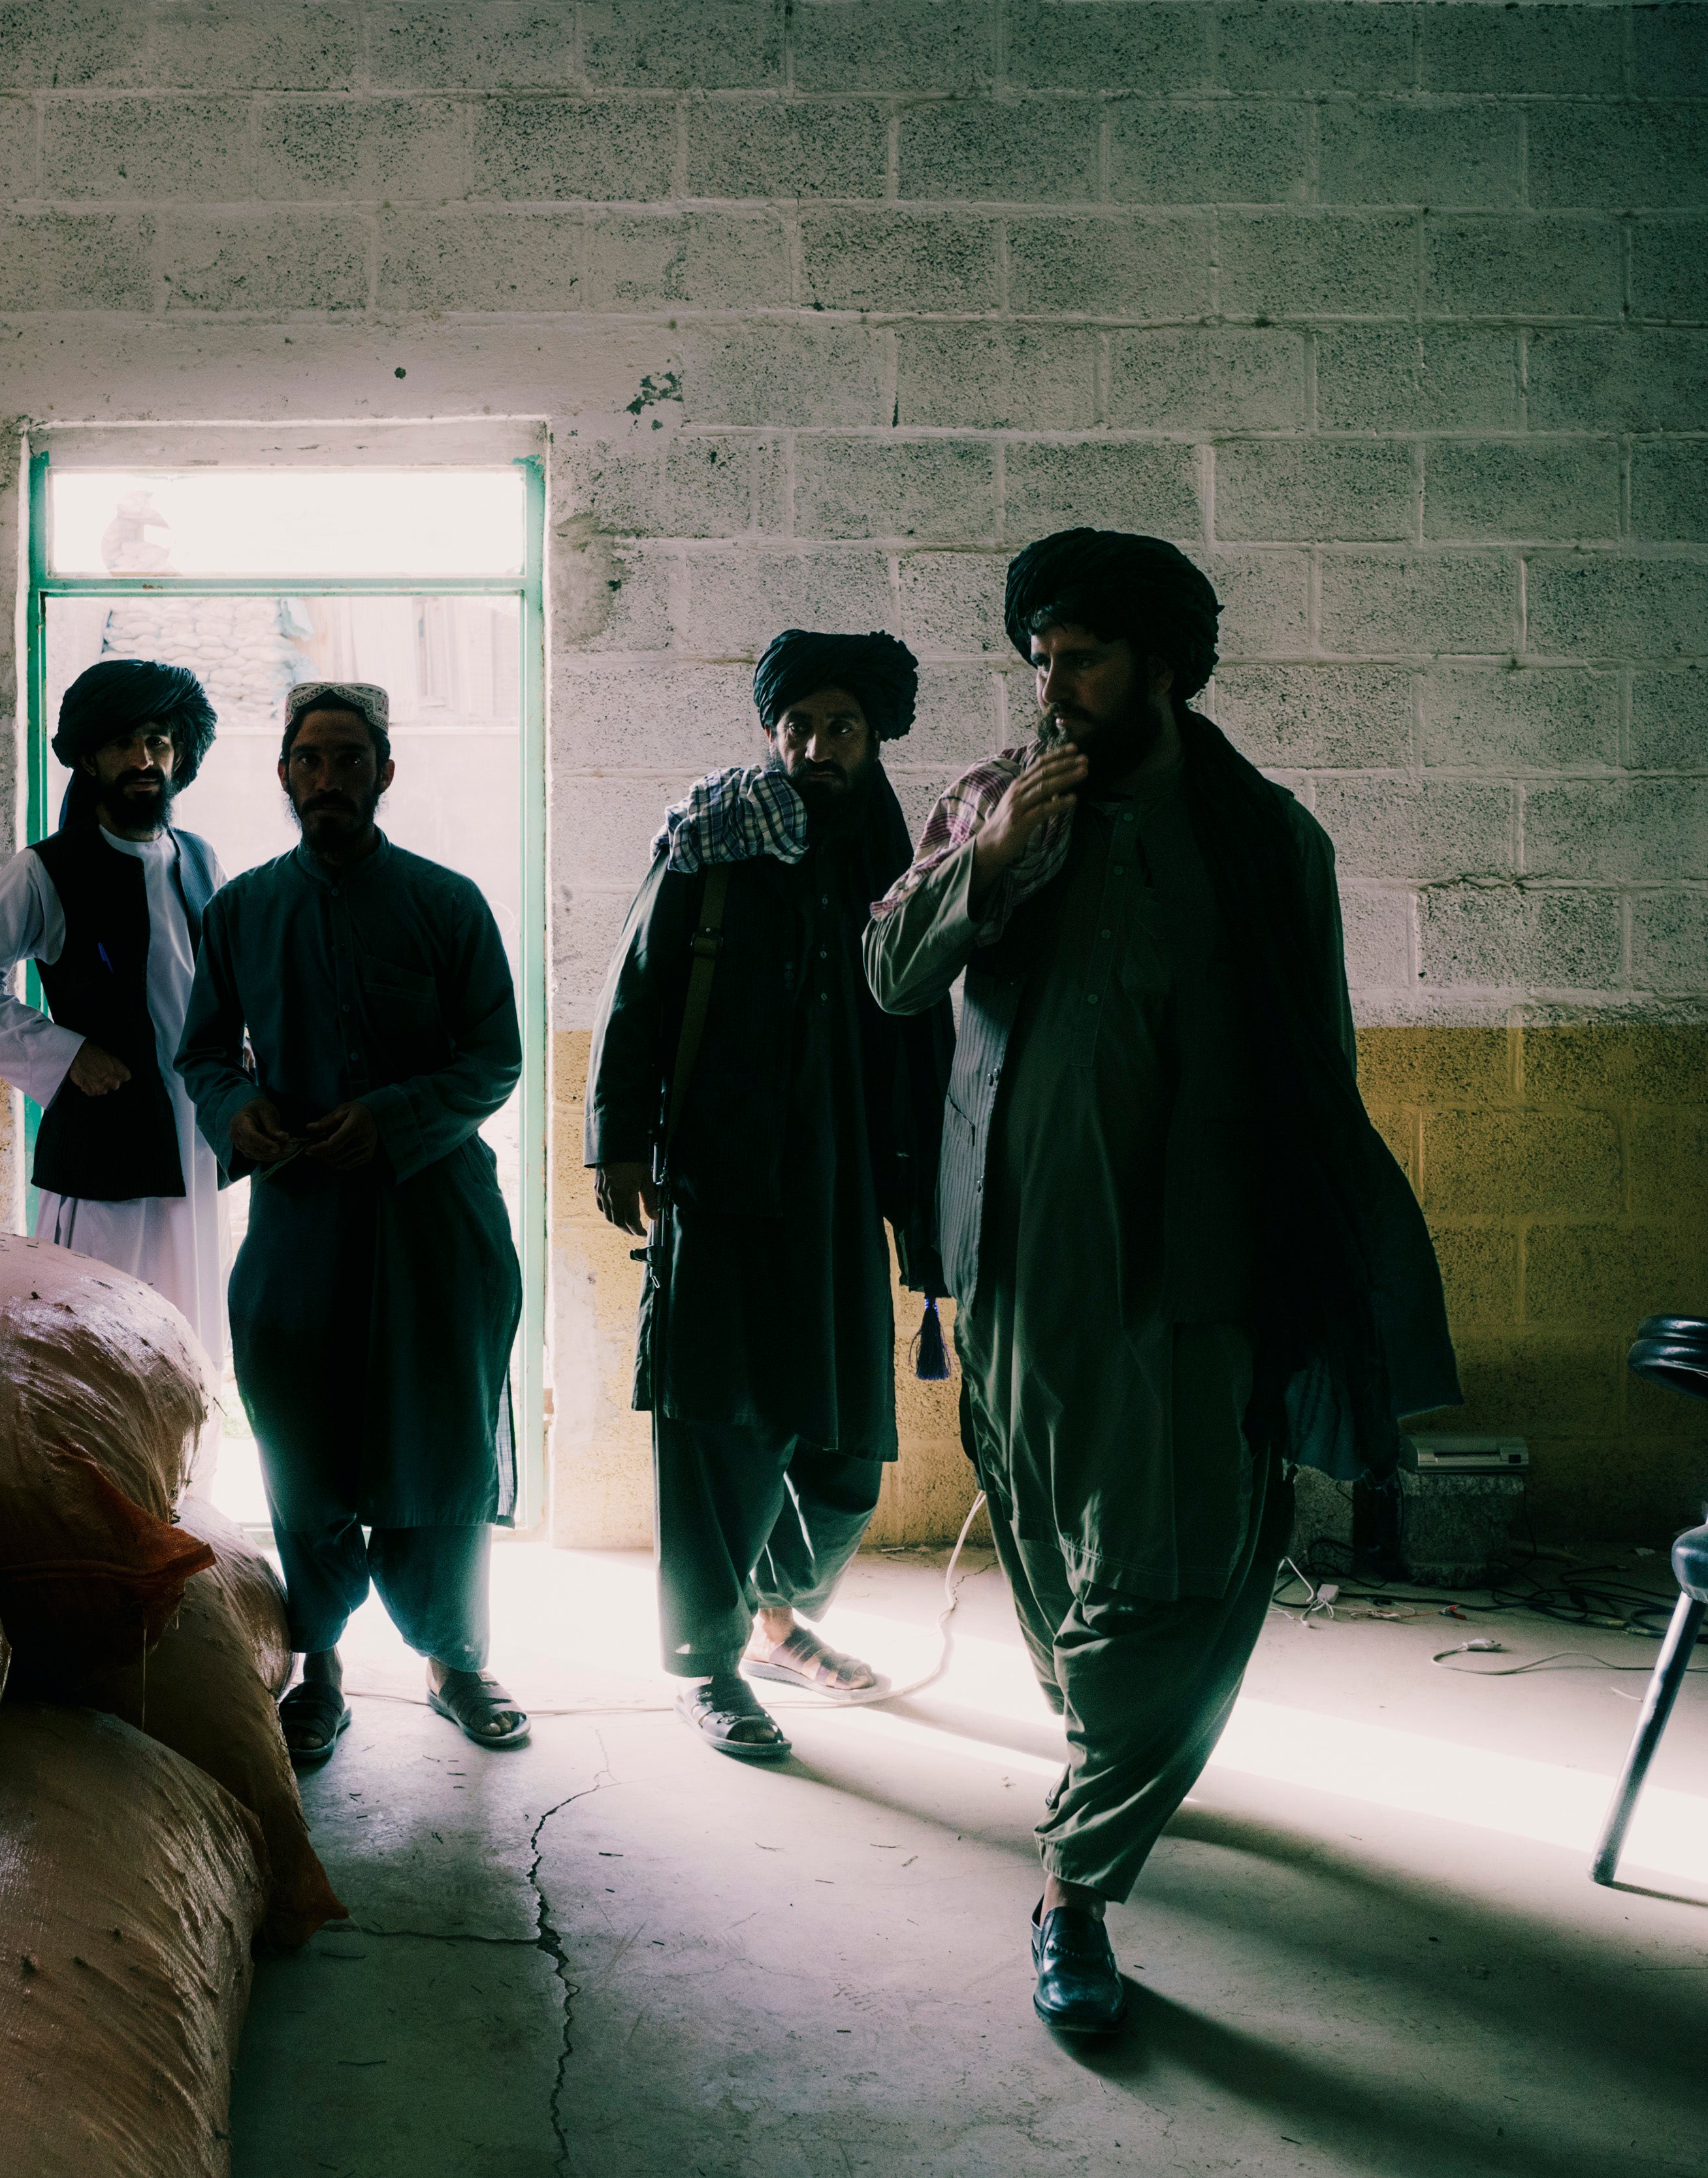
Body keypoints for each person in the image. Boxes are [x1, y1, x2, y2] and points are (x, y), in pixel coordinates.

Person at [864, 530, 1457, 2037]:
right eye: (1039, 660)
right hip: (1009, 1279)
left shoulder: (1266, 844)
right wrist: (989, 865)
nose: (1051, 689)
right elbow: (884, 971)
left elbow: (1312, 1076)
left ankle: (1074, 1884)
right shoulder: (995, 804)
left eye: (1084, 659)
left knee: (1169, 1583)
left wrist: (1309, 1279)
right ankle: (1109, 1772)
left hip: (1187, 1283)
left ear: (1167, 667)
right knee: (1063, 1577)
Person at [586, 629, 953, 1762]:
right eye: (795, 725)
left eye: (839, 726)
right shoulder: (715, 838)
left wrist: (926, 1199)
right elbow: (636, 988)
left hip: (843, 1195)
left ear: (874, 737)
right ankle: (709, 1665)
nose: (814, 747)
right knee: (714, 1441)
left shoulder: (898, 858)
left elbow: (929, 1040)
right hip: (718, 1183)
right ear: (769, 729)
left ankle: (776, 1617)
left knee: (846, 1454)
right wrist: (618, 1140)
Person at [176, 681, 528, 1763]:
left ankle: (455, 1663)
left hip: (435, 1227)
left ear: (384, 772)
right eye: (309, 760)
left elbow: (495, 1057)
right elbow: (202, 1056)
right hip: (302, 1230)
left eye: (349, 759)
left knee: (440, 1449)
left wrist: (388, 1120)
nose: (328, 778)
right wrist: (243, 1111)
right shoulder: (242, 912)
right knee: (303, 1450)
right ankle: (318, 1671)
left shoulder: (449, 903)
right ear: (285, 776)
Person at [0, 659, 229, 1365]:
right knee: (97, 1342)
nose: (143, 759)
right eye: (124, 743)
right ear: (89, 757)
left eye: (158, 741)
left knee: (188, 1345)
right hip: (108, 1153)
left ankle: (186, 1482)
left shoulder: (199, 859)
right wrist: (65, 1054)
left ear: (178, 753)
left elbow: (218, 981)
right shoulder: (44, 870)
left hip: (195, 1142)